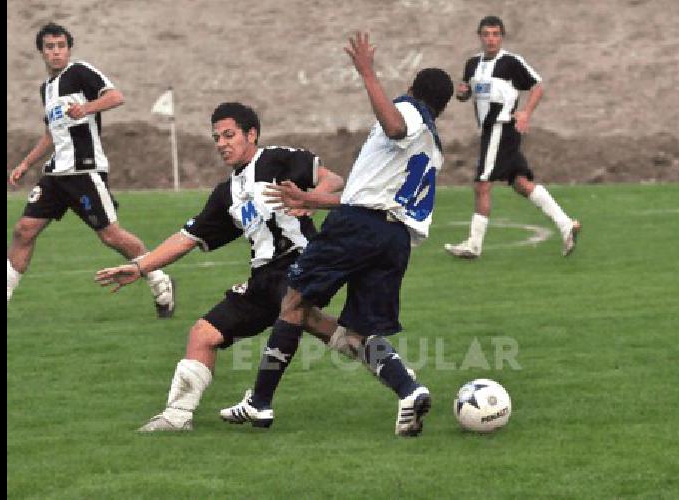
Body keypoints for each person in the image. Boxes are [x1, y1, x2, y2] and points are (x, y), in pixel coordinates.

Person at [218, 31, 454, 437]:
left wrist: (367, 73)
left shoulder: (409, 112)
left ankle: (259, 402)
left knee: (292, 302)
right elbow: (375, 195)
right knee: (361, 333)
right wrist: (313, 200)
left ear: (413, 90)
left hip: (359, 229)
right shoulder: (433, 147)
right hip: (394, 241)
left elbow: (395, 126)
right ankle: (409, 391)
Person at [95, 102, 363, 432]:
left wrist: (311, 199)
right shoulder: (227, 194)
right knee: (204, 334)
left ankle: (260, 404)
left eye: (228, 135)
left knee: (303, 316)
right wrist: (139, 267)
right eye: (216, 137)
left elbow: (333, 180)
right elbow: (187, 237)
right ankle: (177, 417)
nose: (221, 143)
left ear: (252, 134)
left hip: (299, 265)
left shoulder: (277, 159)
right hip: (263, 277)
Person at [7, 22, 175, 317]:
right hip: (56, 175)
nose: (56, 52)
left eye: (61, 46)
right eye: (50, 47)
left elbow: (116, 97)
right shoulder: (46, 89)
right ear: (41, 53)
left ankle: (159, 279)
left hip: (85, 172)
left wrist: (86, 108)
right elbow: (51, 134)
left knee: (111, 236)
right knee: (23, 230)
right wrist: (25, 163)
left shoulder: (80, 72)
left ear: (69, 49)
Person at [444, 15, 581, 259]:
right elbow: (466, 93)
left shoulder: (511, 62)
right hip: (489, 131)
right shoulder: (472, 64)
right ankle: (566, 224)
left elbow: (538, 86)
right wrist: (463, 93)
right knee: (520, 184)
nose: (491, 39)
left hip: (502, 127)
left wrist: (526, 113)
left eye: (496, 34)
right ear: (480, 36)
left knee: (482, 184)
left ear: (502, 36)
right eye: (486, 34)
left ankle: (473, 245)